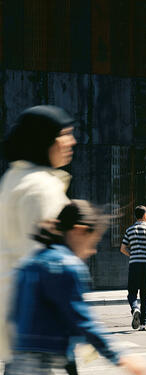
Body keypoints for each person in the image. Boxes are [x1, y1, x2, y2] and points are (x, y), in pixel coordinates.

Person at [5, 200, 146, 375]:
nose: (92, 251)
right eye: (92, 242)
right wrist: (120, 357)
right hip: (46, 365)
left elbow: (14, 317)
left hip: (17, 362)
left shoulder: (29, 263)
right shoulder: (67, 266)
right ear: (79, 231)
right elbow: (83, 321)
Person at [0, 105, 76, 367]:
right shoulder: (41, 187)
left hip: (15, 328)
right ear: (46, 141)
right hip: (38, 333)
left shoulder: (13, 178)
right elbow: (49, 268)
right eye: (64, 134)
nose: (71, 141)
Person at [120, 205, 146, 331]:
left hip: (135, 264)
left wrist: (133, 254)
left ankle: (135, 308)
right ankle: (144, 324)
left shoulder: (129, 230)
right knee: (145, 294)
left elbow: (123, 248)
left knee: (132, 292)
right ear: (145, 215)